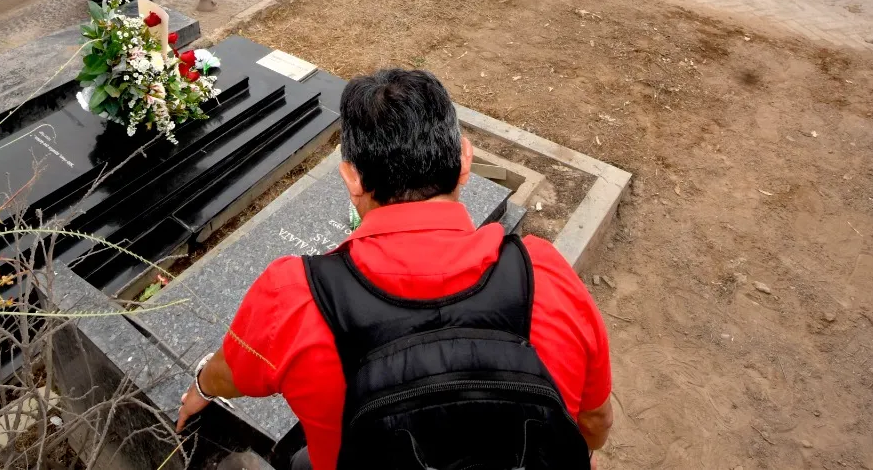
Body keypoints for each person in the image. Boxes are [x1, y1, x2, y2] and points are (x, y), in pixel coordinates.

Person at [175, 68, 612, 470]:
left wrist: (201, 386)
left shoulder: (294, 295)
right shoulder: (543, 273)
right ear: (464, 162)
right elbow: (594, 419)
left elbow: (232, 373)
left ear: (351, 178)